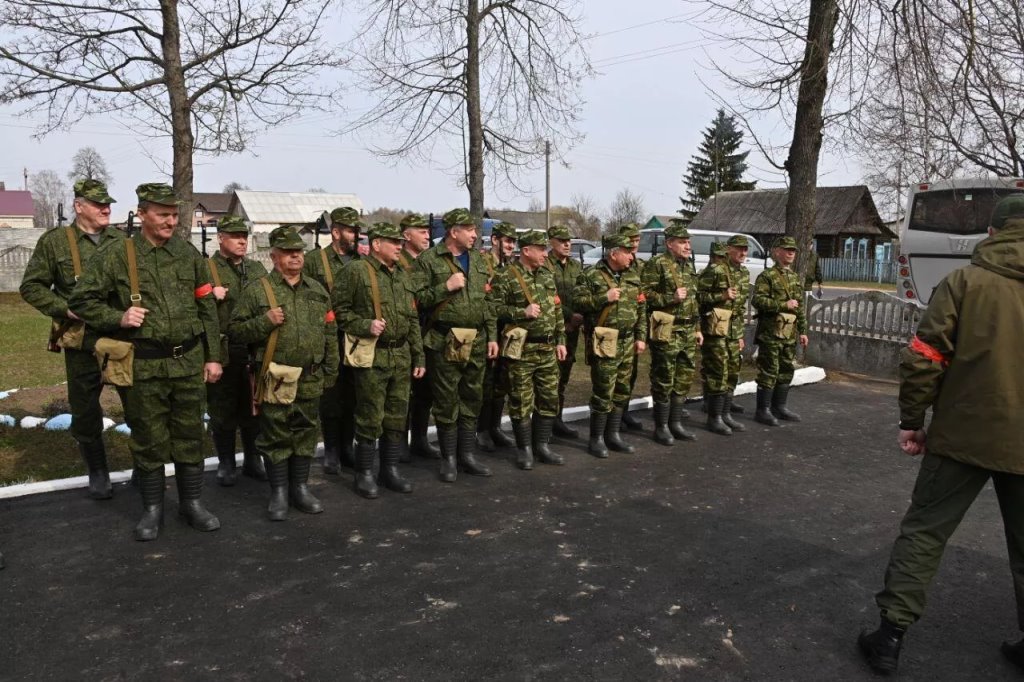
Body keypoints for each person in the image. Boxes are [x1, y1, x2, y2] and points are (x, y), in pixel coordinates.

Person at [857, 195, 1024, 676]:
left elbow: (924, 358)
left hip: (961, 436)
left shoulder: (965, 283)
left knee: (926, 533)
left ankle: (889, 638)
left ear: (992, 234)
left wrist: (912, 421)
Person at [68, 183, 222, 541]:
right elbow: (82, 299)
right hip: (144, 367)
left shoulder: (187, 254)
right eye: (162, 214)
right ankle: (153, 509)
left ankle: (192, 503)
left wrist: (214, 356)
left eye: (174, 214)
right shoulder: (117, 255)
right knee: (149, 439)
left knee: (189, 436)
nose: (171, 220)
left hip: (187, 363)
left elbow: (206, 307)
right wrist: (118, 318)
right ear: (142, 214)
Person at [20, 179, 124, 500]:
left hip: (121, 338)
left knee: (138, 402)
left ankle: (147, 465)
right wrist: (65, 309)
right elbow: (32, 286)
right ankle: (97, 471)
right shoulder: (55, 243)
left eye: (108, 203)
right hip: (82, 339)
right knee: (85, 406)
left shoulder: (122, 241)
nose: (106, 208)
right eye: (97, 204)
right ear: (79, 206)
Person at [228, 225, 338, 521]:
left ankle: (299, 488)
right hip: (275, 377)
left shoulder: (317, 290)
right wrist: (264, 321)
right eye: (288, 252)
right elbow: (236, 331)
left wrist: (331, 369)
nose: (295, 257)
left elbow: (330, 331)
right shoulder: (258, 290)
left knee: (305, 433)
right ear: (274, 256)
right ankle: (278, 492)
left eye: (299, 251)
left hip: (311, 376)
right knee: (276, 434)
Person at [334, 222, 425, 498]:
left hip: (400, 354)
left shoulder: (402, 276)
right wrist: (365, 325)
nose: (399, 246)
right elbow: (338, 311)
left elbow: (411, 319)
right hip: (373, 355)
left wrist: (418, 355)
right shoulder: (355, 271)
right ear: (375, 244)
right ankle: (364, 473)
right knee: (370, 416)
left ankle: (389, 470)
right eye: (393, 242)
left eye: (400, 242)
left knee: (397, 416)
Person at [410, 208, 497, 482]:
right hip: (445, 339)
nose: (475, 235)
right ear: (453, 231)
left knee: (472, 397)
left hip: (477, 338)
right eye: (470, 230)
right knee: (447, 400)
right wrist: (444, 287)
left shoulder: (480, 261)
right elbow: (416, 300)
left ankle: (466, 455)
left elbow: (488, 303)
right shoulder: (428, 261)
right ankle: (448, 458)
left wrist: (493, 336)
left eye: (475, 230)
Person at [491, 230, 567, 470]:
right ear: (526, 251)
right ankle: (524, 449)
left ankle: (541, 445)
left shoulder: (547, 275)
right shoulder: (506, 276)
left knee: (548, 398)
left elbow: (556, 310)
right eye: (541, 249)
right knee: (521, 399)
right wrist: (520, 313)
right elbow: (493, 309)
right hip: (521, 349)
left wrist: (560, 340)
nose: (545, 254)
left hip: (547, 347)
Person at [205, 215, 268, 485]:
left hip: (253, 349)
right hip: (224, 349)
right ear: (221, 238)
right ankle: (227, 462)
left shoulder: (256, 270)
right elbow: (193, 305)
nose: (242, 241)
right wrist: (209, 293)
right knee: (223, 409)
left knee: (254, 408)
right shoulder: (207, 268)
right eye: (235, 236)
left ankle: (254, 459)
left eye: (244, 236)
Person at [573, 233, 646, 458]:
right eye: (627, 252)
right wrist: (604, 297)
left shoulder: (632, 276)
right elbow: (578, 303)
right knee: (604, 389)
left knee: (622, 389)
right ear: (614, 254)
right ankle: (596, 439)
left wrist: (640, 336)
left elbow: (641, 308)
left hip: (627, 340)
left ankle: (613, 435)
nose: (632, 256)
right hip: (605, 338)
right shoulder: (591, 275)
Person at [304, 206, 362, 475]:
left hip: (355, 337)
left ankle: (347, 448)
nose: (355, 235)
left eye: (356, 230)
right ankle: (331, 451)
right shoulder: (316, 260)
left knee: (352, 395)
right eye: (350, 230)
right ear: (336, 231)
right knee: (330, 395)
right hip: (327, 337)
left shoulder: (360, 262)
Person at [640, 220, 702, 445]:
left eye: (688, 242)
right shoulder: (658, 264)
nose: (687, 246)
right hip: (667, 330)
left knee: (683, 378)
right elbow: (644, 295)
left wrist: (697, 328)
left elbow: (693, 300)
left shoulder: (688, 265)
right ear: (669, 244)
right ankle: (661, 427)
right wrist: (670, 298)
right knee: (664, 378)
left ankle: (676, 423)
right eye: (682, 242)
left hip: (687, 330)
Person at [751, 236, 809, 427]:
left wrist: (802, 330)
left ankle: (780, 406)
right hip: (771, 333)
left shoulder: (793, 277)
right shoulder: (767, 276)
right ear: (777, 252)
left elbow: (798, 307)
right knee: (769, 370)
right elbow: (757, 301)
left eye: (793, 250)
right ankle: (763, 410)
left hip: (788, 333)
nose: (791, 253)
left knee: (786, 369)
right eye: (787, 249)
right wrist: (782, 304)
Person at [697, 234, 751, 436]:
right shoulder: (716, 270)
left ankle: (726, 413)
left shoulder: (744, 273)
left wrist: (739, 335)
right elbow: (698, 297)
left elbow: (739, 308)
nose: (743, 253)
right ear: (729, 249)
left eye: (745, 249)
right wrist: (721, 295)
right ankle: (714, 418)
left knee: (732, 371)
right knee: (717, 372)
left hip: (734, 329)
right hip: (716, 330)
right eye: (739, 248)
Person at [398, 212, 440, 460]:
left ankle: (420, 439)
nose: (427, 235)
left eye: (428, 231)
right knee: (404, 392)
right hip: (407, 333)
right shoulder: (399, 262)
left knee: (425, 392)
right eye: (421, 231)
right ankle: (400, 441)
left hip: (427, 333)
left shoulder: (428, 261)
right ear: (406, 235)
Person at [477, 220, 517, 452]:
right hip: (487, 331)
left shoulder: (510, 267)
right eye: (508, 241)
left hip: (507, 332)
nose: (511, 245)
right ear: (495, 240)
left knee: (502, 381)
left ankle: (494, 427)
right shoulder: (483, 264)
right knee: (486, 381)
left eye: (513, 242)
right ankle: (482, 430)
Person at [546, 224, 584, 438]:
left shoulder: (575, 266)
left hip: (572, 330)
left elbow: (582, 292)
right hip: (552, 328)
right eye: (562, 241)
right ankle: (544, 422)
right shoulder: (545, 265)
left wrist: (579, 318)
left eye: (569, 240)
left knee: (563, 376)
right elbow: (547, 296)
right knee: (548, 377)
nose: (567, 244)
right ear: (551, 241)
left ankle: (557, 419)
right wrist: (569, 316)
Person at [617, 223, 646, 431]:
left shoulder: (641, 266)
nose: (634, 244)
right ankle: (614, 416)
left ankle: (624, 411)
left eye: (637, 240)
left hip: (634, 326)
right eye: (630, 241)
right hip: (614, 331)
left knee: (630, 373)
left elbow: (645, 297)